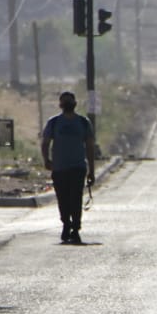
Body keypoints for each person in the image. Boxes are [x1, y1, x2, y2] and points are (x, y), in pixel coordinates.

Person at [40, 91, 96, 244]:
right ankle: (66, 224)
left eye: (69, 101)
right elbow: (45, 143)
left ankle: (75, 228)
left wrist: (91, 170)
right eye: (64, 102)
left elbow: (90, 146)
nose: (67, 104)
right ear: (60, 105)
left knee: (76, 199)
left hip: (78, 168)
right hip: (59, 168)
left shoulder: (83, 122)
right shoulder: (54, 122)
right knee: (63, 199)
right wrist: (46, 160)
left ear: (75, 104)